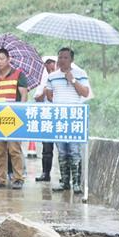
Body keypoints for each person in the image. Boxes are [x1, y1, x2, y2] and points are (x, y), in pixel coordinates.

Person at [46, 48, 90, 194]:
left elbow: (85, 93)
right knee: (62, 151)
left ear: (71, 60)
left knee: (74, 150)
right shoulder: (52, 76)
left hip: (74, 118)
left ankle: (76, 183)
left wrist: (72, 80)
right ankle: (65, 182)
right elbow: (50, 95)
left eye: (65, 57)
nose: (62, 60)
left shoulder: (81, 74)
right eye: (60, 57)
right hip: (59, 117)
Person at [0, 49, 28, 189]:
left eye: (2, 58)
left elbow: (24, 95)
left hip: (14, 117)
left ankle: (18, 178)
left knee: (14, 149)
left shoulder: (18, 74)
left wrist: (20, 112)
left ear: (8, 59)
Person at [34, 58, 57, 182]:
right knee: (47, 148)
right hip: (47, 117)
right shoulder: (43, 81)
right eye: (47, 65)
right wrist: (45, 88)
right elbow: (37, 98)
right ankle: (45, 173)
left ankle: (66, 178)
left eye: (52, 64)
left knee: (64, 149)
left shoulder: (63, 79)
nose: (50, 67)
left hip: (60, 117)